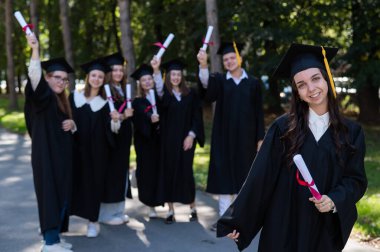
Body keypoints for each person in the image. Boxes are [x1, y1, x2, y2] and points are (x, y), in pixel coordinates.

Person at [217, 43, 368, 252]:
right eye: (301, 84)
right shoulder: (282, 129)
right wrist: (239, 219)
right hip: (283, 223)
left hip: (322, 227)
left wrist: (334, 199)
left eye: (315, 78)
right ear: (296, 92)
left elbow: (356, 180)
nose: (311, 88)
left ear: (327, 78)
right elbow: (261, 177)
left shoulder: (351, 132)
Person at [197, 42, 265, 229]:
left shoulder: (253, 83)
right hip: (224, 139)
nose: (229, 61)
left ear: (239, 58)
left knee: (245, 179)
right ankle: (224, 220)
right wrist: (203, 65)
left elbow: (259, 112)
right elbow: (206, 90)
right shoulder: (220, 81)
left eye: (232, 58)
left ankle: (243, 218)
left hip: (247, 141)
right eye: (225, 59)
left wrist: (260, 139)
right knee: (225, 180)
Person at [24, 33, 75, 252]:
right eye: (57, 77)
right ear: (47, 78)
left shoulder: (61, 101)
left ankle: (55, 237)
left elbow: (66, 126)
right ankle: (50, 243)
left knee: (62, 196)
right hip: (46, 157)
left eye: (64, 79)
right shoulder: (41, 96)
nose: (61, 82)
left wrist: (72, 124)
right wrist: (35, 50)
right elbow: (34, 75)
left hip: (62, 158)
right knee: (50, 197)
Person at [69, 58, 119, 238]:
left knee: (94, 184)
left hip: (98, 152)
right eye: (93, 75)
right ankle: (60, 222)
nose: (96, 79)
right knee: (72, 183)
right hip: (76, 148)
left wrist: (115, 120)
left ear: (103, 79)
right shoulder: (74, 97)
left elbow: (113, 130)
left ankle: (93, 221)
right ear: (88, 76)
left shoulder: (107, 103)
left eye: (100, 76)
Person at [156, 58, 205, 224]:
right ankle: (170, 211)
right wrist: (155, 70)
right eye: (172, 74)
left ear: (182, 76)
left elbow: (196, 117)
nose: (175, 77)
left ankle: (192, 208)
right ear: (168, 76)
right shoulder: (164, 94)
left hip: (186, 141)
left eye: (178, 74)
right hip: (168, 143)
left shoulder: (190, 94)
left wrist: (191, 135)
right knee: (168, 173)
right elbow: (157, 85)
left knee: (186, 174)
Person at [98, 52, 134, 225]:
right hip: (110, 140)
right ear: (109, 73)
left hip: (123, 140)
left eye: (121, 70)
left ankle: (119, 210)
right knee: (111, 172)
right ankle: (106, 214)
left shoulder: (123, 89)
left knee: (121, 172)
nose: (118, 73)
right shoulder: (104, 93)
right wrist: (123, 116)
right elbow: (107, 118)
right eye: (115, 70)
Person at [130, 63, 164, 218]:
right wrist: (149, 119)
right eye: (144, 80)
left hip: (160, 141)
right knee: (147, 172)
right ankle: (150, 205)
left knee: (160, 171)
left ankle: (160, 200)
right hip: (145, 143)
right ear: (140, 83)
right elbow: (138, 121)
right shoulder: (137, 101)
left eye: (149, 79)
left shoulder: (160, 96)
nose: (147, 82)